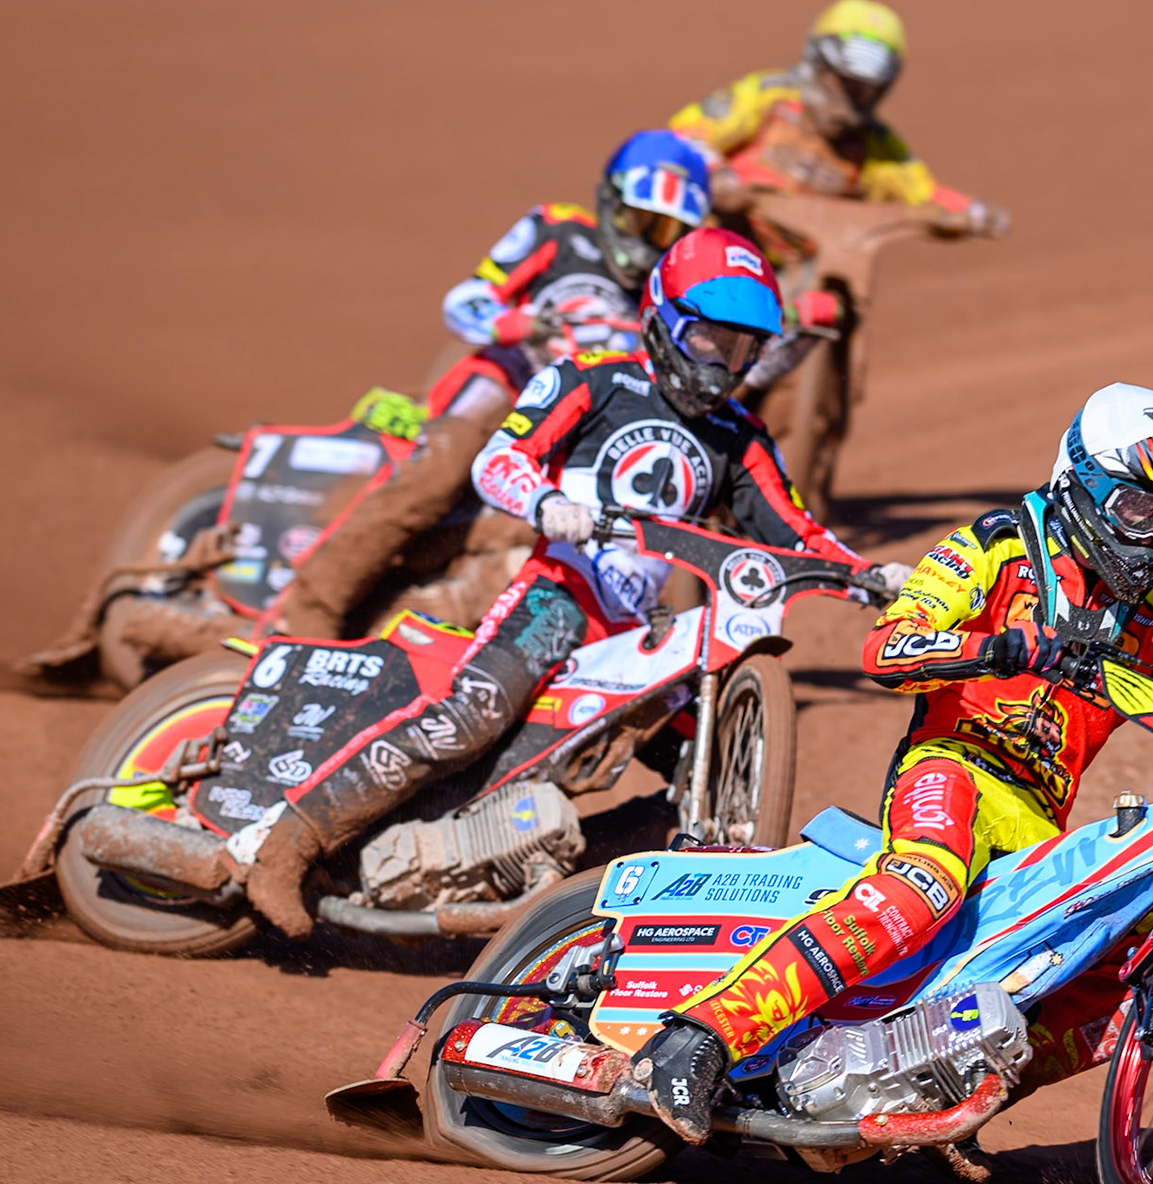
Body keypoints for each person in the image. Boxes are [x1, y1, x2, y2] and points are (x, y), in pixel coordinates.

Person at [634, 382, 1153, 1141]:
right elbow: (887, 648)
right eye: (1140, 508)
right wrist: (998, 648)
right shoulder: (996, 545)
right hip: (951, 768)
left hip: (1039, 820)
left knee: (1127, 964)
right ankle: (698, 1038)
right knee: (923, 884)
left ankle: (946, 1088)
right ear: (1081, 483)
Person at [241, 228, 912, 937]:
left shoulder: (739, 437)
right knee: (470, 717)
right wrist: (544, 502)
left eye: (744, 349)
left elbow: (796, 534)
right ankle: (286, 845)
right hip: (556, 594)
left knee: (702, 766)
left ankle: (574, 904)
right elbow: (500, 459)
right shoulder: (595, 379)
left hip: (637, 634)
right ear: (663, 319)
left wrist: (871, 576)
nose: (725, 365)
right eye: (711, 339)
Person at [279, 130, 713, 640]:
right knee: (444, 465)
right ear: (611, 202)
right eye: (642, 222)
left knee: (562, 536)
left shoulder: (667, 295)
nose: (646, 245)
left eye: (667, 233)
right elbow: (465, 302)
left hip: (572, 429)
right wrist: (516, 324)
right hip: (507, 383)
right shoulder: (557, 231)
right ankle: (308, 607)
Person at [668, 1, 1008, 237]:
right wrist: (717, 174)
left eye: (865, 92)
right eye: (844, 85)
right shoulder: (770, 97)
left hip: (805, 279)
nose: (849, 102)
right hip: (718, 244)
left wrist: (974, 213)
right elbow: (685, 134)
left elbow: (922, 194)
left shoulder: (873, 143)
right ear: (817, 64)